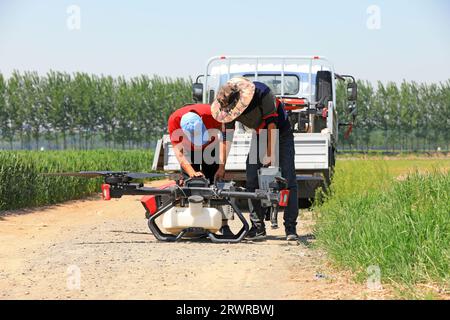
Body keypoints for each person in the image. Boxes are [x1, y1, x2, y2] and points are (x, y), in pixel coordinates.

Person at [211, 77, 299, 241]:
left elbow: (272, 128)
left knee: (287, 179)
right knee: (252, 177)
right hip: (259, 135)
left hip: (281, 133)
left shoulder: (262, 93)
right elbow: (226, 138)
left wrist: (270, 158)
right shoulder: (227, 109)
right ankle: (257, 228)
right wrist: (222, 166)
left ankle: (290, 228)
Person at [168, 103, 233, 237]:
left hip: (211, 146)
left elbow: (224, 139)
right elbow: (179, 154)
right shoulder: (174, 121)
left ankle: (224, 225)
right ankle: (193, 224)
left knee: (217, 185)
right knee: (190, 186)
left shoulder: (212, 114)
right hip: (188, 150)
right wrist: (192, 174)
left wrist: (221, 166)